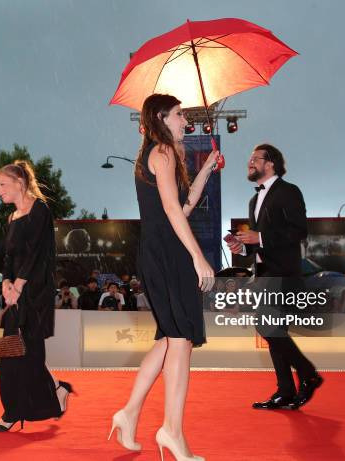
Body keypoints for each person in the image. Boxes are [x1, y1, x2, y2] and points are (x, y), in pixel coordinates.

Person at [109, 94, 216, 460]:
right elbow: (172, 210)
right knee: (180, 340)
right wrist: (198, 257)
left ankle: (129, 413)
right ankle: (171, 432)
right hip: (169, 256)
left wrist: (205, 171)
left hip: (159, 254)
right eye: (180, 114)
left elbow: (183, 206)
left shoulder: (155, 155)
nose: (186, 121)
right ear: (161, 117)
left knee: (168, 340)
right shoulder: (163, 153)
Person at [228, 143, 323, 410]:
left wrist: (261, 237)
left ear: (270, 163)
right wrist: (244, 246)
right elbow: (259, 242)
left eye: (254, 159)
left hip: (284, 273)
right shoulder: (253, 199)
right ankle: (286, 390)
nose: (249, 163)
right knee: (272, 329)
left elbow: (299, 231)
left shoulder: (289, 191)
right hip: (265, 273)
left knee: (267, 326)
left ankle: (307, 374)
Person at [0, 159, 72, 432]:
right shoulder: (11, 217)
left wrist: (19, 286)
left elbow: (38, 253)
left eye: (2, 184)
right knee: (12, 351)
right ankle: (12, 411)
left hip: (36, 292)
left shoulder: (40, 210)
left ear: (19, 183)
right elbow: (9, 257)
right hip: (15, 292)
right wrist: (5, 282)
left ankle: (55, 392)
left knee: (32, 352)